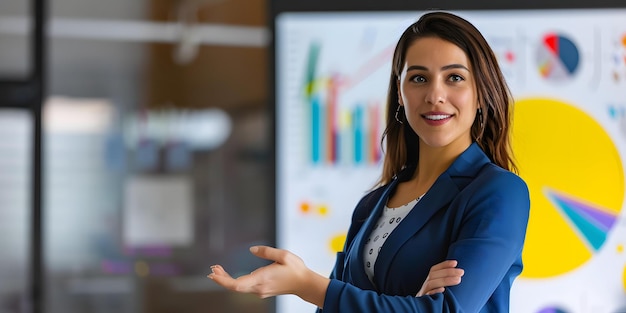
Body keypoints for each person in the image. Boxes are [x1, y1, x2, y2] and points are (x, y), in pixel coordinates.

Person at [208, 11, 530, 313]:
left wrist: (309, 285)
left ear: (481, 94)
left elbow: (445, 310)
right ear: (400, 95)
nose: (435, 95)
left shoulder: (498, 192)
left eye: (455, 78)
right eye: (418, 78)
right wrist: (405, 303)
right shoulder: (373, 204)